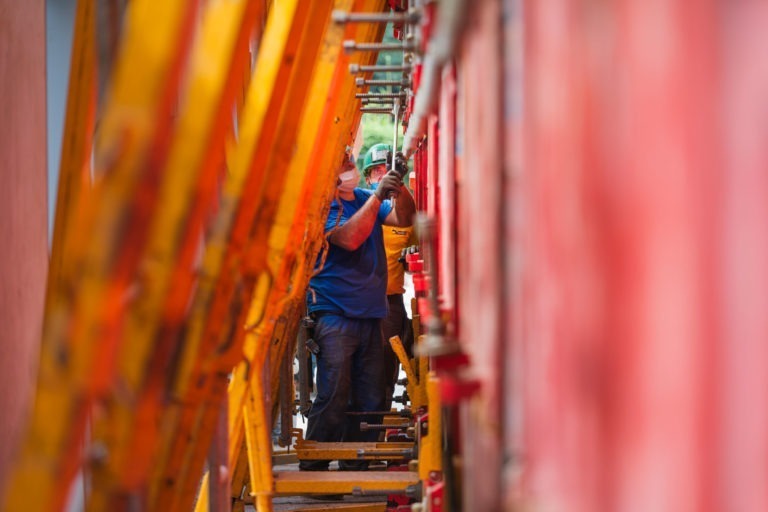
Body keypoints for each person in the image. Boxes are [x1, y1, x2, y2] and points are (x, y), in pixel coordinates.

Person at [300, 150, 416, 471]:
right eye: (343, 161)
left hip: (371, 313)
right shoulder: (321, 208)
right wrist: (379, 195)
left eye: (350, 159)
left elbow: (405, 219)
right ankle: (315, 466)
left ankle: (356, 465)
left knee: (369, 398)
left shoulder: (364, 196)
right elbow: (350, 238)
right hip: (335, 314)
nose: (350, 164)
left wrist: (399, 187)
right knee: (334, 394)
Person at [362, 143, 418, 409]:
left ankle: (378, 426)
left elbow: (409, 219)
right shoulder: (362, 205)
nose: (382, 175)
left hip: (388, 305)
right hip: (355, 304)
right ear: (367, 178)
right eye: (377, 171)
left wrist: (401, 184)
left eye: (387, 170)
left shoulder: (399, 209)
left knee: (383, 372)